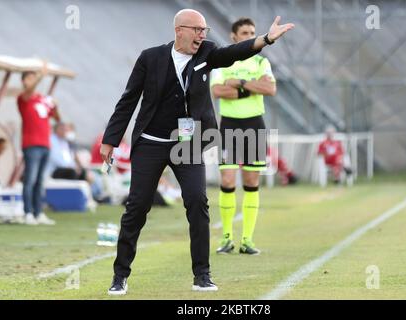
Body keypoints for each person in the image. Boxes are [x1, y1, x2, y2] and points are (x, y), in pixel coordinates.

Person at [100, 8, 294, 295]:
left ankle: (202, 275)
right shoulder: (150, 58)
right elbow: (128, 100)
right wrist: (110, 140)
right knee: (138, 207)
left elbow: (234, 53)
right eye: (197, 30)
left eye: (205, 31)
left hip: (188, 142)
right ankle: (120, 276)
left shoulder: (207, 53)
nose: (202, 35)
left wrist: (265, 39)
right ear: (179, 30)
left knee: (197, 202)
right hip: (151, 142)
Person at [210, 17, 279, 255]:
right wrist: (251, 88)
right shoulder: (222, 62)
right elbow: (218, 90)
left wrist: (238, 82)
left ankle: (247, 239)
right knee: (228, 180)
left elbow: (270, 89)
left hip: (254, 125)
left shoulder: (261, 61)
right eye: (244, 33)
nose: (250, 36)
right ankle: (227, 238)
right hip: (229, 126)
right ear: (234, 37)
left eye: (252, 32)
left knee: (251, 182)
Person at [17, 62, 60, 225]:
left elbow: (56, 118)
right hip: (31, 145)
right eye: (30, 78)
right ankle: (28, 212)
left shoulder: (42, 100)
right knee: (30, 180)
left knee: (40, 181)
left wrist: (56, 106)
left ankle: (38, 212)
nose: (33, 81)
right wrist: (41, 74)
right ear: (24, 81)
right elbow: (29, 90)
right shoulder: (24, 98)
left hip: (45, 144)